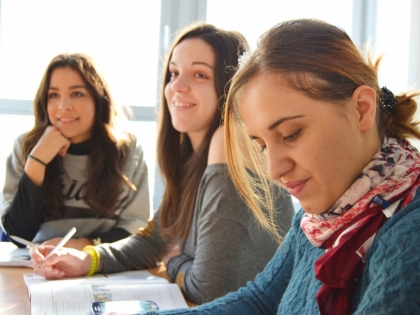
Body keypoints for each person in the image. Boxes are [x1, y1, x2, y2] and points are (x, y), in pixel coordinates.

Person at [107, 18, 420, 314]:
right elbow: (260, 300)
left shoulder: (407, 236)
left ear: (362, 110)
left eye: (290, 134)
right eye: (261, 144)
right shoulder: (319, 217)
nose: (273, 170)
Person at [29, 23, 295, 305]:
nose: (176, 87)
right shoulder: (191, 158)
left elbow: (209, 288)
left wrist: (175, 262)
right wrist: (88, 260)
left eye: (200, 74)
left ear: (230, 87)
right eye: (174, 73)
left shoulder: (229, 140)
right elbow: (156, 240)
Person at [1, 53, 151, 250]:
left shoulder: (128, 150)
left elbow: (135, 229)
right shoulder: (26, 146)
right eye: (53, 95)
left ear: (99, 100)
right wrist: (36, 162)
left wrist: (83, 245)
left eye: (77, 94)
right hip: (36, 265)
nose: (63, 106)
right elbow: (17, 235)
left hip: (104, 264)